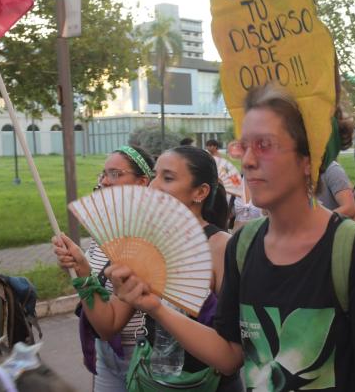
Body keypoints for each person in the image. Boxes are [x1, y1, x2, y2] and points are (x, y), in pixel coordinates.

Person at [111, 83, 355, 390]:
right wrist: (153, 305)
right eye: (244, 147)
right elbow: (229, 357)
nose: (248, 161)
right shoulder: (243, 245)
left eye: (264, 145)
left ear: (308, 159)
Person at [64, 146, 240, 390]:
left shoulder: (221, 247)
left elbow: (233, 356)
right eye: (155, 176)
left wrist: (156, 308)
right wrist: (82, 271)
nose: (153, 186)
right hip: (151, 382)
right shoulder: (145, 245)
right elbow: (108, 325)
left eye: (167, 178)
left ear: (200, 191)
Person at [52, 146, 154, 391]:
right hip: (105, 354)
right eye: (104, 174)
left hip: (139, 355)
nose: (105, 181)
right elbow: (95, 287)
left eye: (116, 174)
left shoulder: (150, 236)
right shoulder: (105, 229)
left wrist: (84, 273)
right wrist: (74, 266)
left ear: (142, 182)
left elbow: (110, 325)